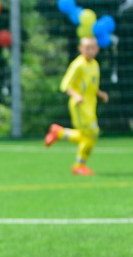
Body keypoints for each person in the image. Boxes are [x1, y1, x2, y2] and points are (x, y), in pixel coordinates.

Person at [44, 36, 109, 176]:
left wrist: (100, 93)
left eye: (93, 48)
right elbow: (65, 85)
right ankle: (79, 165)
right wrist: (76, 95)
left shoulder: (95, 65)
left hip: (90, 105)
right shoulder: (77, 65)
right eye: (87, 48)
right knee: (92, 134)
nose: (90, 51)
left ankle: (59, 132)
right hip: (79, 106)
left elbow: (91, 85)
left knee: (88, 136)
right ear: (80, 49)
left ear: (97, 49)